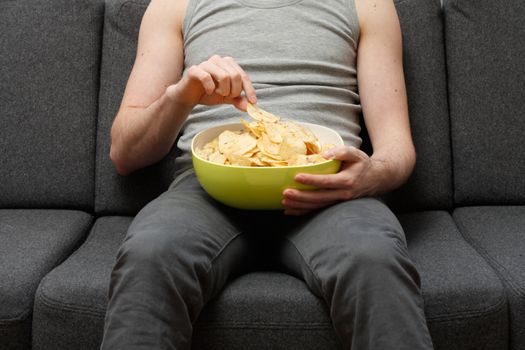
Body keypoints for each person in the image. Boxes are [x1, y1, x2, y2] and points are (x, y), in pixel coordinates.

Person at [101, 0, 434, 348]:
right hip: (207, 193)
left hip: (329, 194)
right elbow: (125, 154)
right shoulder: (174, 4)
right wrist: (180, 97)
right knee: (150, 253)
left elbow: (397, 148)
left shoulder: (369, 4)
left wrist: (372, 174)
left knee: (374, 257)